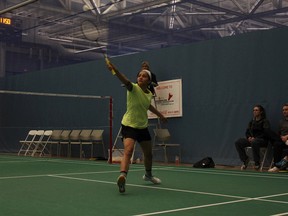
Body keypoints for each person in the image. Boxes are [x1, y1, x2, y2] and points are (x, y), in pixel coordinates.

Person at [106, 60, 167, 193]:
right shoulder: (133, 88)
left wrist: (160, 115)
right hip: (129, 125)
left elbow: (148, 105)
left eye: (144, 76)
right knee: (128, 150)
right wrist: (114, 69)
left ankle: (148, 175)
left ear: (149, 80)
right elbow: (124, 79)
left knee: (148, 154)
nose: (140, 77)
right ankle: (122, 176)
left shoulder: (149, 94)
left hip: (142, 127)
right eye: (139, 75)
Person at [235, 105, 271, 170]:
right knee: (238, 142)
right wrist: (249, 137)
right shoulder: (251, 122)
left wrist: (255, 138)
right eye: (253, 110)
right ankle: (245, 159)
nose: (254, 112)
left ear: (261, 112)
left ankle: (257, 163)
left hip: (262, 140)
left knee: (255, 142)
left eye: (256, 110)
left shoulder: (265, 121)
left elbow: (266, 133)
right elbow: (247, 132)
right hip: (252, 140)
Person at [268, 103, 288, 172]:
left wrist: (287, 137)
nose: (284, 111)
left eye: (286, 109)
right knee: (276, 144)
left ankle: (284, 161)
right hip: (282, 140)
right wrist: (282, 137)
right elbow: (279, 133)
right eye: (283, 110)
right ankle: (277, 166)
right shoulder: (281, 121)